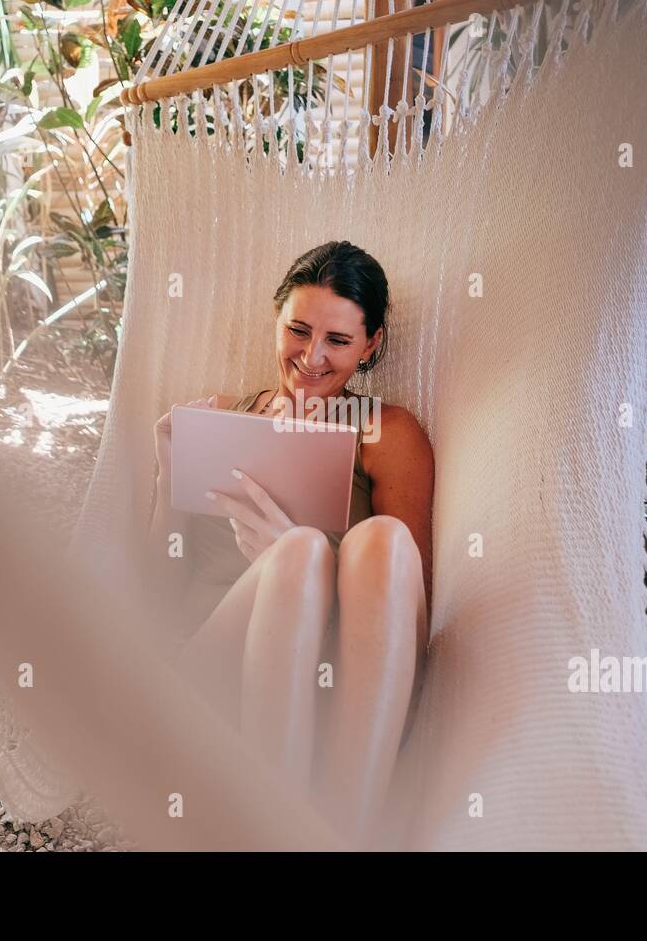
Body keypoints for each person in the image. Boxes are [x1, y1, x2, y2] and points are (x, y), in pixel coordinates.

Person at [148, 241, 434, 844]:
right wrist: (166, 475)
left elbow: (413, 609)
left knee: (370, 540)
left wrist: (311, 564)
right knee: (299, 555)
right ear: (277, 322)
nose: (312, 357)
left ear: (371, 344)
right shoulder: (223, 418)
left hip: (343, 687)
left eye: (338, 340)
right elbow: (154, 593)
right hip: (211, 671)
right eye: (298, 331)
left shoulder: (388, 433)